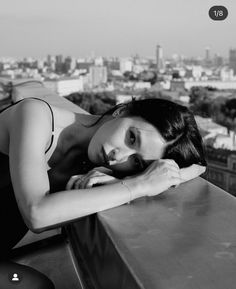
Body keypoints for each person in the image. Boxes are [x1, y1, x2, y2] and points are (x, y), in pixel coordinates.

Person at [0, 96, 206, 287]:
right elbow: (36, 213)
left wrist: (138, 179)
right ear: (122, 111)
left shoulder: (93, 164)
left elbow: (197, 167)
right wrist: (139, 185)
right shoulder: (35, 115)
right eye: (132, 138)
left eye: (136, 162)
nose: (119, 157)